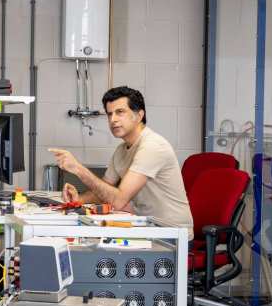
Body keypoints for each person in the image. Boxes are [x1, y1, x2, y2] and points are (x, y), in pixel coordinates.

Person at [51, 86, 193, 228]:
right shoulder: (121, 150)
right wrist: (79, 199)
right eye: (109, 114)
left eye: (120, 112)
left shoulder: (153, 146)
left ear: (139, 115)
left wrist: (78, 168)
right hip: (147, 228)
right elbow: (104, 191)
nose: (113, 120)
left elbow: (118, 200)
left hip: (172, 234)